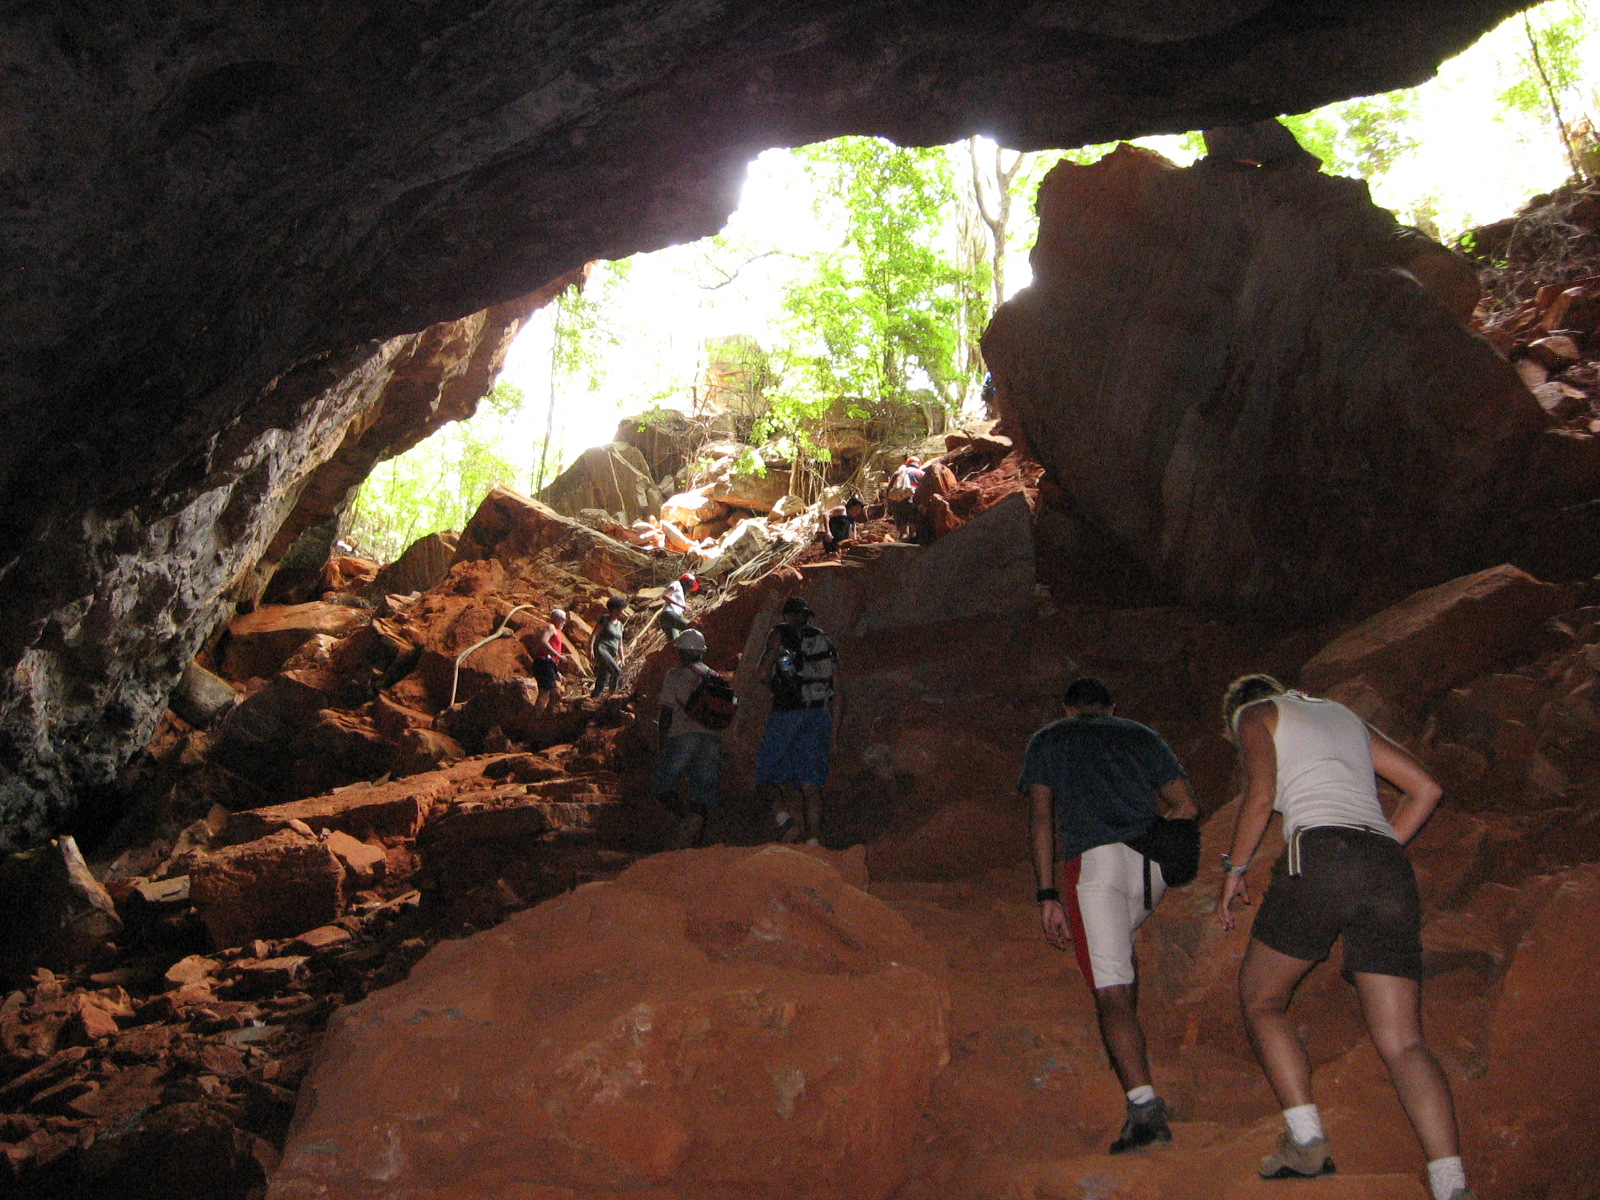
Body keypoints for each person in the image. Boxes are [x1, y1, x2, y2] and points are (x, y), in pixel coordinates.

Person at [1217, 675, 1474, 1200]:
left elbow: (1261, 794)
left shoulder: (1255, 713)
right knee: (1404, 1042)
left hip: (1320, 848)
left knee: (1261, 999)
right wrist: (1375, 853)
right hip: (1387, 863)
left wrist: (1234, 868)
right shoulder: (1344, 715)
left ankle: (1307, 1144)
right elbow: (1427, 790)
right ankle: (1452, 1187)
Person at [1020, 676, 1199, 1155]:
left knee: (1110, 988)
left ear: (1067, 707)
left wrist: (1047, 893)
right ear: (1112, 707)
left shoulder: (1049, 739)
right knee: (1121, 952)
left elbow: (1042, 818)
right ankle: (1129, 1054)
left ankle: (1144, 1112)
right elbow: (1185, 803)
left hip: (1096, 865)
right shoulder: (1139, 734)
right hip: (1150, 864)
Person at [755, 596, 838, 845]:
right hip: (819, 715)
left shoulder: (780, 634)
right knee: (810, 785)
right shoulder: (825, 641)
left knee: (766, 777)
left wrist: (777, 687)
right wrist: (833, 735)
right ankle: (813, 844)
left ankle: (785, 822)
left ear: (787, 616)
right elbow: (838, 688)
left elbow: (761, 673)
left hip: (788, 713)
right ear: (808, 616)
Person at [652, 629, 723, 847]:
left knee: (662, 785)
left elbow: (667, 712)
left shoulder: (675, 675)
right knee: (701, 793)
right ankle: (696, 845)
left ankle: (685, 821)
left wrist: (661, 742)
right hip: (710, 739)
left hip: (682, 736)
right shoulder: (716, 677)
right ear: (702, 652)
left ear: (682, 651)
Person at [531, 609, 573, 713]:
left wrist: (556, 670)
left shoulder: (557, 631)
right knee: (547, 692)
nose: (564, 622)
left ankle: (546, 715)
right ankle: (538, 717)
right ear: (555, 618)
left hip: (550, 663)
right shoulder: (550, 627)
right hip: (543, 662)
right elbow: (543, 641)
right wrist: (558, 655)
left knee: (553, 693)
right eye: (562, 619)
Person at [590, 595, 627, 698]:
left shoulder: (620, 625)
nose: (622, 611)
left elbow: (620, 644)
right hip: (602, 649)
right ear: (614, 609)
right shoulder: (605, 619)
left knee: (603, 677)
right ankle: (612, 697)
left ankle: (594, 698)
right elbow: (594, 635)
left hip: (612, 653)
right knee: (616, 672)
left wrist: (622, 657)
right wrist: (591, 650)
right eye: (620, 608)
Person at [886, 458, 925, 541]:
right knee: (913, 522)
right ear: (919, 464)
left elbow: (889, 489)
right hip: (914, 500)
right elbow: (924, 488)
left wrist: (889, 504)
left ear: (907, 464)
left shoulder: (898, 473)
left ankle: (903, 537)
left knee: (902, 522)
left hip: (899, 501)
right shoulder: (921, 473)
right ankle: (913, 539)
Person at [658, 572, 697, 641]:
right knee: (692, 627)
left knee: (676, 641)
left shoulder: (682, 596)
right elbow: (665, 596)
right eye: (690, 585)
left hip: (670, 619)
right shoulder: (677, 584)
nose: (690, 589)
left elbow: (680, 616)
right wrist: (682, 605)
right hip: (668, 615)